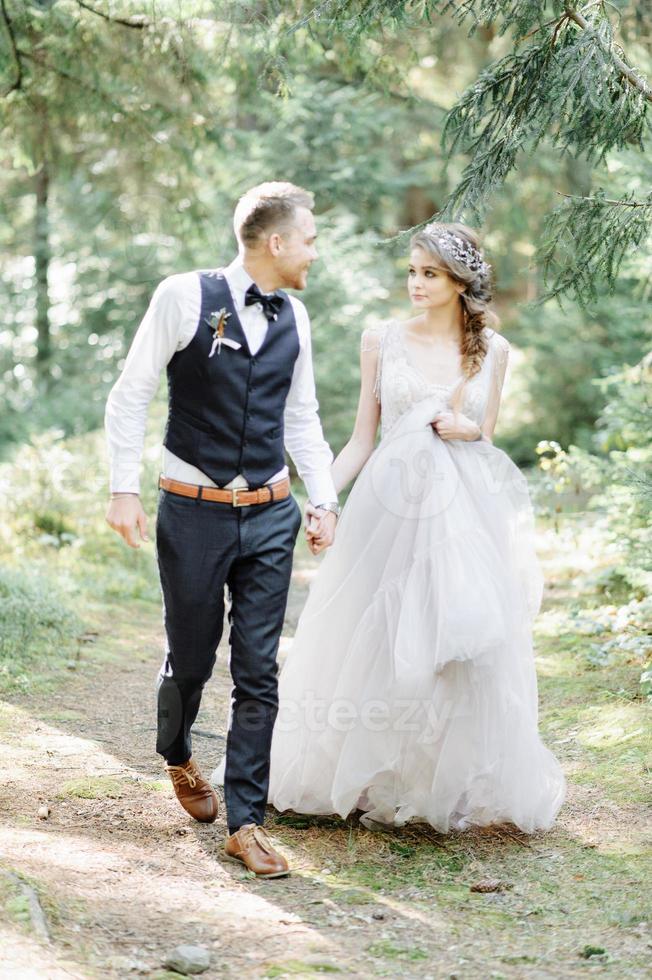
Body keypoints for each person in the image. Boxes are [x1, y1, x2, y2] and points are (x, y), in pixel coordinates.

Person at [266, 222, 567, 834]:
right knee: (376, 636)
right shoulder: (380, 339)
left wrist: (468, 431)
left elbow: (486, 435)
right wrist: (323, 499)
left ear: (459, 283)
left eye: (429, 274)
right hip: (390, 513)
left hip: (465, 517)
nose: (415, 284)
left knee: (459, 648)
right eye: (411, 271)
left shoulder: (495, 350)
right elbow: (359, 439)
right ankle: (369, 775)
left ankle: (442, 781)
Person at [104, 181, 340, 877]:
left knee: (260, 668)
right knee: (193, 657)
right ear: (276, 242)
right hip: (193, 510)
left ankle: (246, 822)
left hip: (271, 512)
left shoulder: (296, 317)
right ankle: (176, 752)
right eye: (310, 239)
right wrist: (123, 489)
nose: (313, 253)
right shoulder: (183, 296)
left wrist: (323, 500)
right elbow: (132, 393)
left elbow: (302, 418)